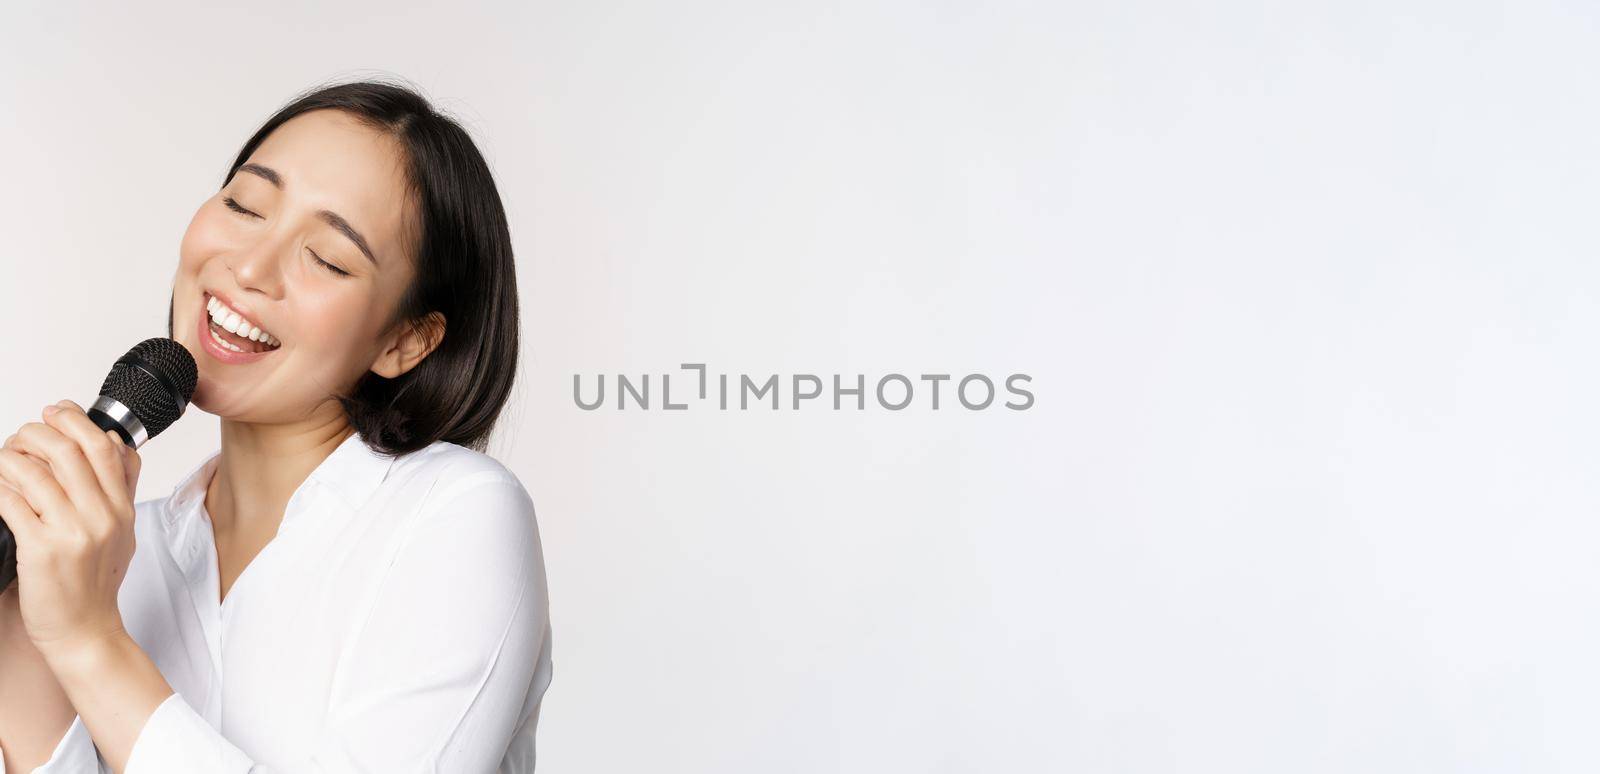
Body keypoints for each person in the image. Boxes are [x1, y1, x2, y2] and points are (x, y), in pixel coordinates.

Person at [0, 79, 552, 773]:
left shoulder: (455, 515)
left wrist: (89, 642)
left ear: (405, 342)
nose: (250, 267)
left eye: (326, 257)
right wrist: (23, 627)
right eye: (244, 204)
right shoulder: (112, 555)